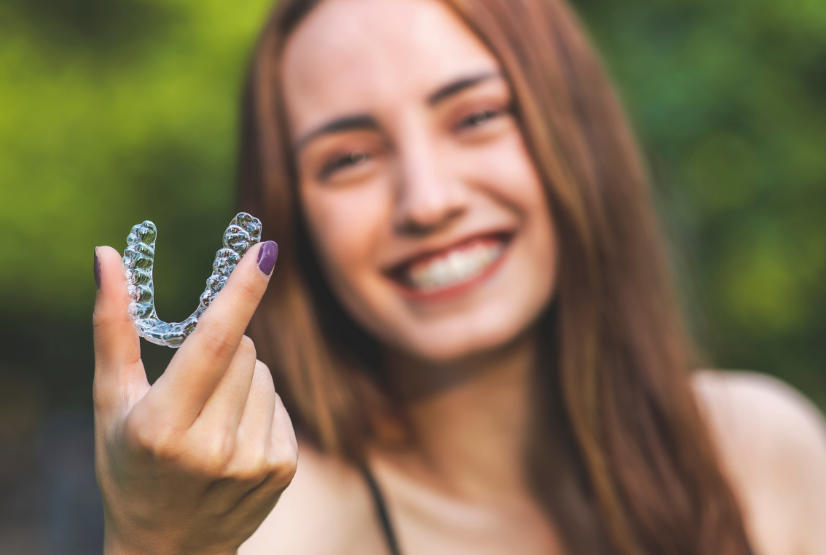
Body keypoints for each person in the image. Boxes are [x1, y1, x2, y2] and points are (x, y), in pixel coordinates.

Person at [91, 0, 826, 553]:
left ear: (576, 132)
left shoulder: (762, 453)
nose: (429, 200)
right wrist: (152, 544)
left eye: (476, 116)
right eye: (348, 158)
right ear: (294, 218)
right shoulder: (273, 527)